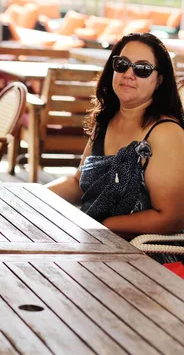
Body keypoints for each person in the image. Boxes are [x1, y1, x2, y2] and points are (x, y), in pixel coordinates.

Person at [46, 33, 184, 262]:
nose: (129, 74)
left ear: (159, 80)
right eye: (122, 64)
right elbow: (77, 182)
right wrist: (34, 196)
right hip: (92, 243)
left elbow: (171, 218)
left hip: (146, 256)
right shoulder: (106, 120)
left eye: (142, 69)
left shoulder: (166, 132)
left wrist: (102, 226)